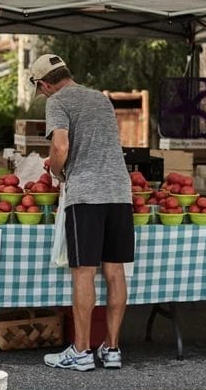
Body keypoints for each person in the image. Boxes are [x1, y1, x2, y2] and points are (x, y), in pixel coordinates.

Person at [33, 54, 134, 371]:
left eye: (40, 89)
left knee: (84, 273)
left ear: (44, 83)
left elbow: (61, 147)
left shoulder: (57, 101)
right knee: (115, 271)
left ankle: (80, 351)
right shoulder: (100, 99)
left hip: (86, 193)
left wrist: (58, 172)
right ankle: (112, 349)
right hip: (119, 191)